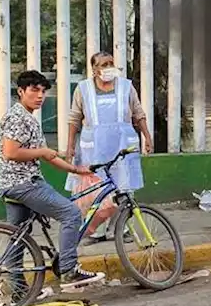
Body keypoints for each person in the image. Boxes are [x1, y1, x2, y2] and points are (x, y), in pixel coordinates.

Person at [0, 71, 104, 287]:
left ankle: (19, 291)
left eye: (43, 91)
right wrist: (42, 153)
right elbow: (11, 152)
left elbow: (48, 155)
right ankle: (69, 270)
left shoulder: (29, 118)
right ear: (21, 91)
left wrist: (76, 170)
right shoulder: (18, 117)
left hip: (12, 184)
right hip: (24, 183)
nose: (40, 96)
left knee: (18, 236)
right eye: (34, 90)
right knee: (71, 214)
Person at [64, 51, 153, 241]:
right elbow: (74, 119)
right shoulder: (83, 89)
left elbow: (138, 113)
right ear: (94, 69)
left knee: (123, 187)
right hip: (94, 147)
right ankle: (96, 228)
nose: (108, 68)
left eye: (111, 63)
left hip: (121, 144)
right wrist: (70, 146)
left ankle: (120, 228)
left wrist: (147, 136)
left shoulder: (126, 87)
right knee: (96, 189)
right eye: (104, 65)